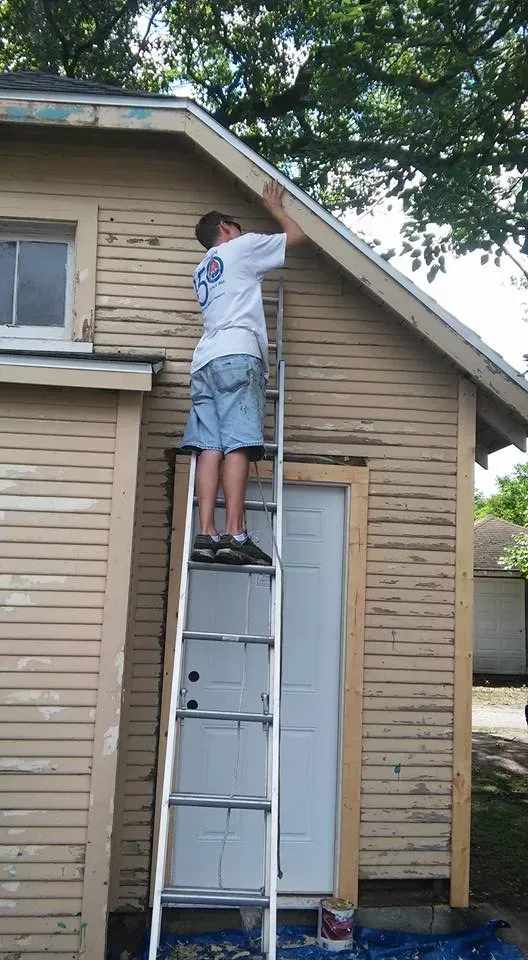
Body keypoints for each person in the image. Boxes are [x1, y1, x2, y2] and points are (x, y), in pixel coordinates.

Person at [181, 180, 305, 565]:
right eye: (235, 224)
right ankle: (235, 534)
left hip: (204, 361)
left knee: (209, 448)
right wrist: (274, 208)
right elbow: (296, 237)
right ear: (225, 228)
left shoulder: (201, 272)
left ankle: (207, 535)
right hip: (237, 354)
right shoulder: (241, 247)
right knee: (237, 443)